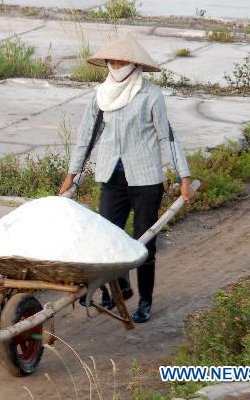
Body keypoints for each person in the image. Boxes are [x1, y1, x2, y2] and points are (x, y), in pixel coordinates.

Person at [59, 34, 194, 324]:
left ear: (134, 65)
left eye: (121, 61)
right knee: (109, 237)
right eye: (111, 61)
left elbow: (167, 137)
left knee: (144, 244)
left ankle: (145, 301)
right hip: (111, 177)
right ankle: (119, 286)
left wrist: (184, 176)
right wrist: (72, 176)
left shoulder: (150, 96)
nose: (115, 66)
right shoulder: (100, 95)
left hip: (145, 180)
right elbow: (86, 137)